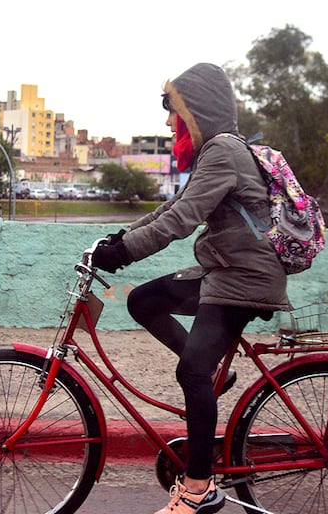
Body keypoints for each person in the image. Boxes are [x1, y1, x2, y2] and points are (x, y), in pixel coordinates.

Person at [91, 62, 290, 514]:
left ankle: (199, 489)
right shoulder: (217, 153)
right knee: (143, 301)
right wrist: (118, 240)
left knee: (192, 373)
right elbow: (173, 207)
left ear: (196, 109)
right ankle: (219, 381)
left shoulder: (223, 152)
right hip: (226, 269)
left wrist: (123, 255)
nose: (167, 121)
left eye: (172, 110)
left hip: (244, 279)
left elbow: (181, 222)